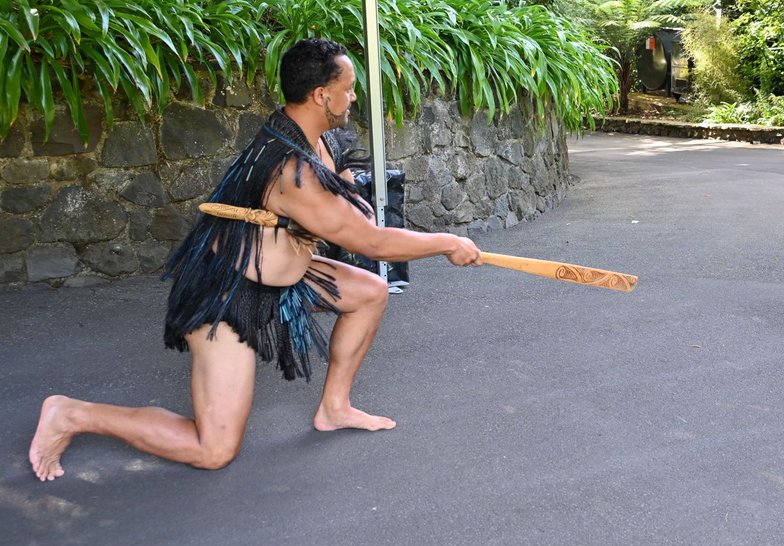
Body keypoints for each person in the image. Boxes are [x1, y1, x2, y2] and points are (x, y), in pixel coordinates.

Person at [29, 38, 484, 481]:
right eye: (347, 87)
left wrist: (348, 196)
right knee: (213, 451)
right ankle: (71, 414)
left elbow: (343, 188)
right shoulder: (290, 170)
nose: (353, 95)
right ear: (321, 96)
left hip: (289, 273)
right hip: (228, 293)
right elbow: (373, 243)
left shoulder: (315, 135)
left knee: (369, 292)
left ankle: (334, 408)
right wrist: (445, 242)